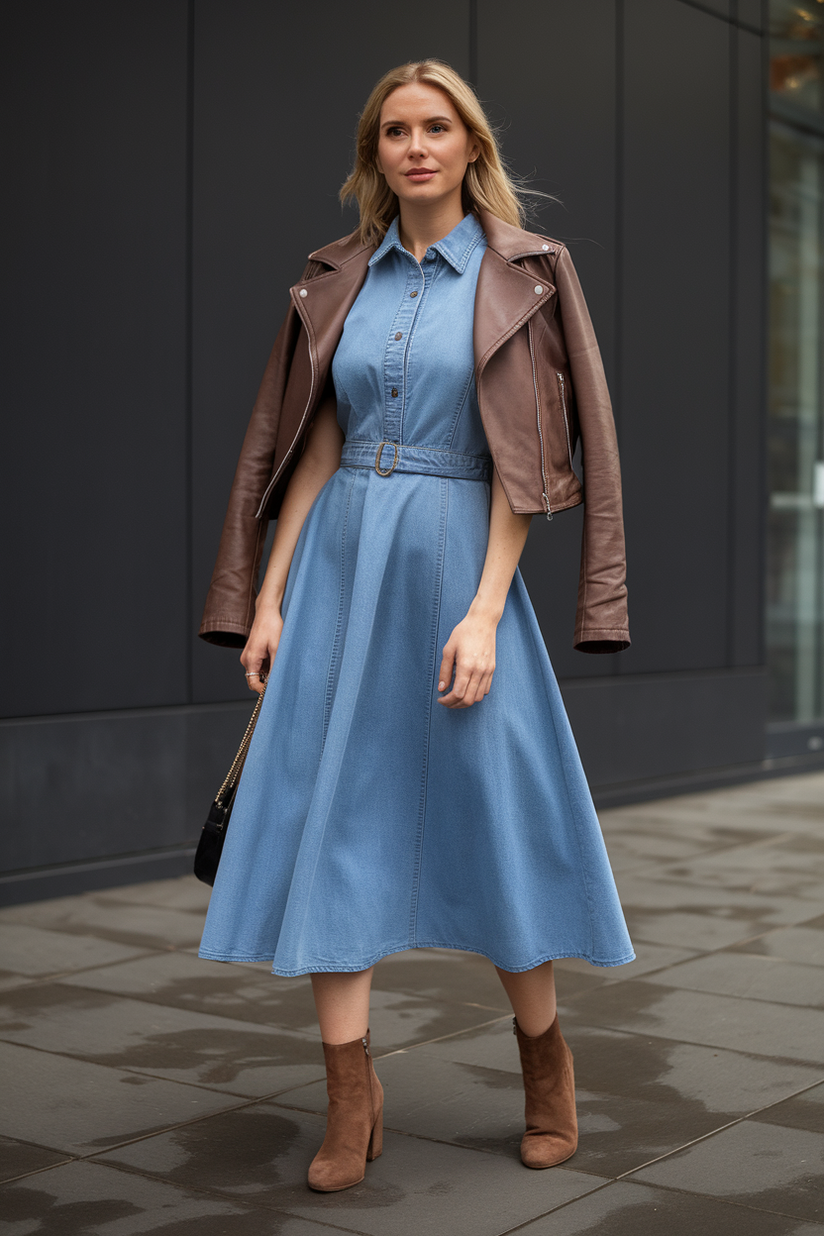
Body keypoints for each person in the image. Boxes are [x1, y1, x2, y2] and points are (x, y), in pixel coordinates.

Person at [197, 59, 634, 1193]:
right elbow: (314, 446)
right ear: (373, 153)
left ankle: (546, 1067)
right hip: (341, 567)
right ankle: (352, 1097)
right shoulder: (337, 275)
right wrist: (271, 597)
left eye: (435, 126)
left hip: (455, 570)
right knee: (325, 823)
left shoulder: (525, 271)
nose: (415, 146)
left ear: (471, 144)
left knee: (493, 822)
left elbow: (527, 460)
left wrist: (485, 612)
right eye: (394, 130)